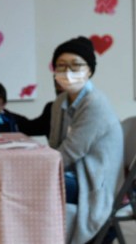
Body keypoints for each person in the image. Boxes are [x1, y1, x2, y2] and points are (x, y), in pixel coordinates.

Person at [48, 36, 122, 244]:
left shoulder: (95, 103)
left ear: (89, 70)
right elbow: (54, 146)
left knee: (35, 182)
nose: (68, 72)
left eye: (76, 65)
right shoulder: (60, 103)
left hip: (93, 181)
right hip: (73, 173)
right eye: (61, 66)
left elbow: (69, 152)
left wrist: (38, 167)